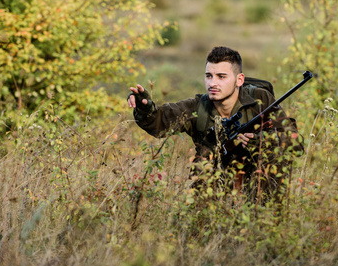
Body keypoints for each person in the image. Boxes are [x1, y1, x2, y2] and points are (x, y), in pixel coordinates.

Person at [127, 46, 302, 202]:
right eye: (208, 76)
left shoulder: (261, 100)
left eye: (221, 77)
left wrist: (263, 142)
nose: (213, 83)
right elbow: (159, 122)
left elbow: (297, 144)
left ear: (239, 80)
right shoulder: (198, 107)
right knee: (204, 162)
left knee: (274, 157)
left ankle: (267, 220)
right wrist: (145, 108)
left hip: (257, 191)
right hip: (213, 192)